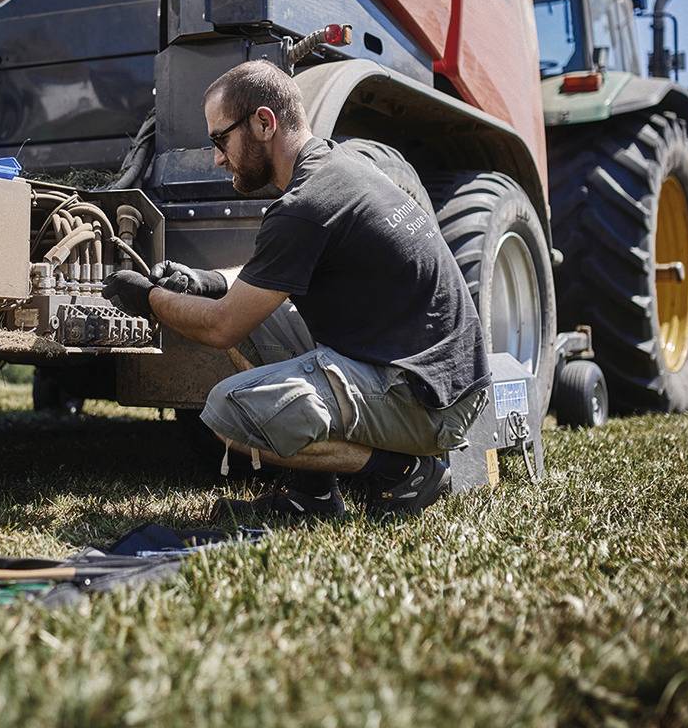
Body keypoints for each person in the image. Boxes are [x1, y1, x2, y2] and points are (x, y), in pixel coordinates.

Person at [102, 59, 493, 520]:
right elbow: (259, 284)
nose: (217, 158)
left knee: (229, 414)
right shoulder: (337, 167)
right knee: (254, 319)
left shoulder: (305, 205)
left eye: (220, 139)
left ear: (264, 122)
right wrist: (204, 281)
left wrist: (146, 298)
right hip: (436, 375)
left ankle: (402, 471)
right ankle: (315, 496)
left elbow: (222, 327)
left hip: (431, 400)